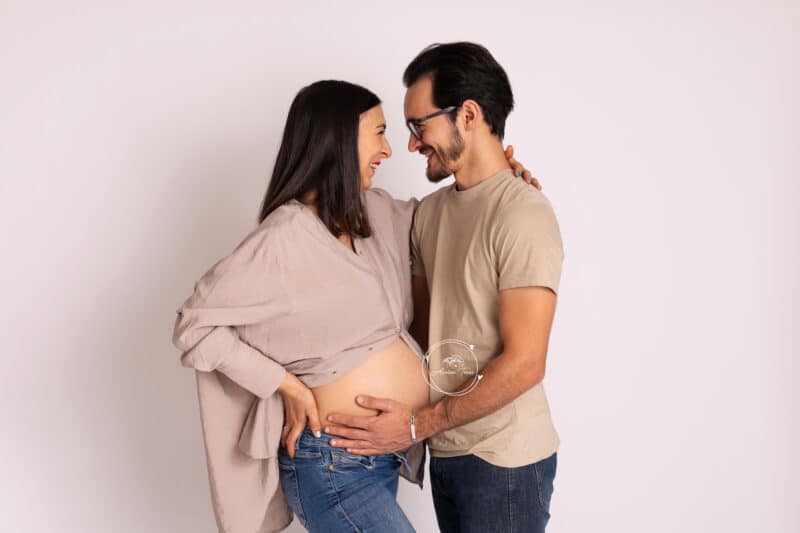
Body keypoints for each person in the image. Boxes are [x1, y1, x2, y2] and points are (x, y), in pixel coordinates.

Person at [172, 79, 535, 532]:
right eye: (379, 132)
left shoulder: (377, 212)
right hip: (329, 464)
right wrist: (286, 384)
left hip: (381, 460)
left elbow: (450, 215)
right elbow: (194, 327)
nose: (389, 149)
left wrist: (500, 180)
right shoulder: (283, 238)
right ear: (339, 139)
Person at [324, 42, 564, 533]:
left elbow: (525, 363)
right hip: (448, 450)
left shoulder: (523, 214)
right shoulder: (427, 214)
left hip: (505, 460)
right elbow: (415, 329)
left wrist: (417, 425)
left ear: (468, 115)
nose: (412, 144)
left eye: (420, 126)